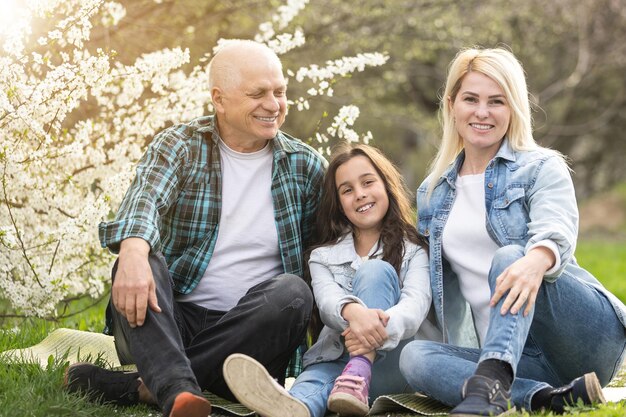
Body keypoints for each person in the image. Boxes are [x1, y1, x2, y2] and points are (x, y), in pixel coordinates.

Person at [63, 40, 327, 417]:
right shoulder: (180, 146)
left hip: (250, 344)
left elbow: (331, 250)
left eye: (280, 92)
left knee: (294, 292)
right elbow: (145, 201)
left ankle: (154, 386)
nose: (273, 105)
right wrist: (133, 252)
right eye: (258, 94)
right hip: (167, 323)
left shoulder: (305, 166)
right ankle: (176, 384)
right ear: (219, 100)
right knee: (139, 255)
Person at [399, 47, 626, 417]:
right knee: (416, 358)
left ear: (513, 108)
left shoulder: (540, 167)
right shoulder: (433, 192)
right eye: (471, 99)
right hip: (517, 358)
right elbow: (422, 278)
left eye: (497, 101)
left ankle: (489, 385)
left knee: (510, 256)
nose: (482, 112)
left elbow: (556, 231)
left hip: (582, 339)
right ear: (452, 106)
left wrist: (535, 261)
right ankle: (544, 398)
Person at [221, 143, 436, 417]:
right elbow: (326, 302)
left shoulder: (414, 250)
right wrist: (353, 311)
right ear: (338, 203)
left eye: (368, 182)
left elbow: (414, 307)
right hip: (335, 358)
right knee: (314, 383)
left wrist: (371, 329)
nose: (360, 194)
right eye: (347, 190)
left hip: (387, 365)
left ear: (386, 185)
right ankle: (292, 407)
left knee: (375, 271)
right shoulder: (322, 256)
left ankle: (359, 372)